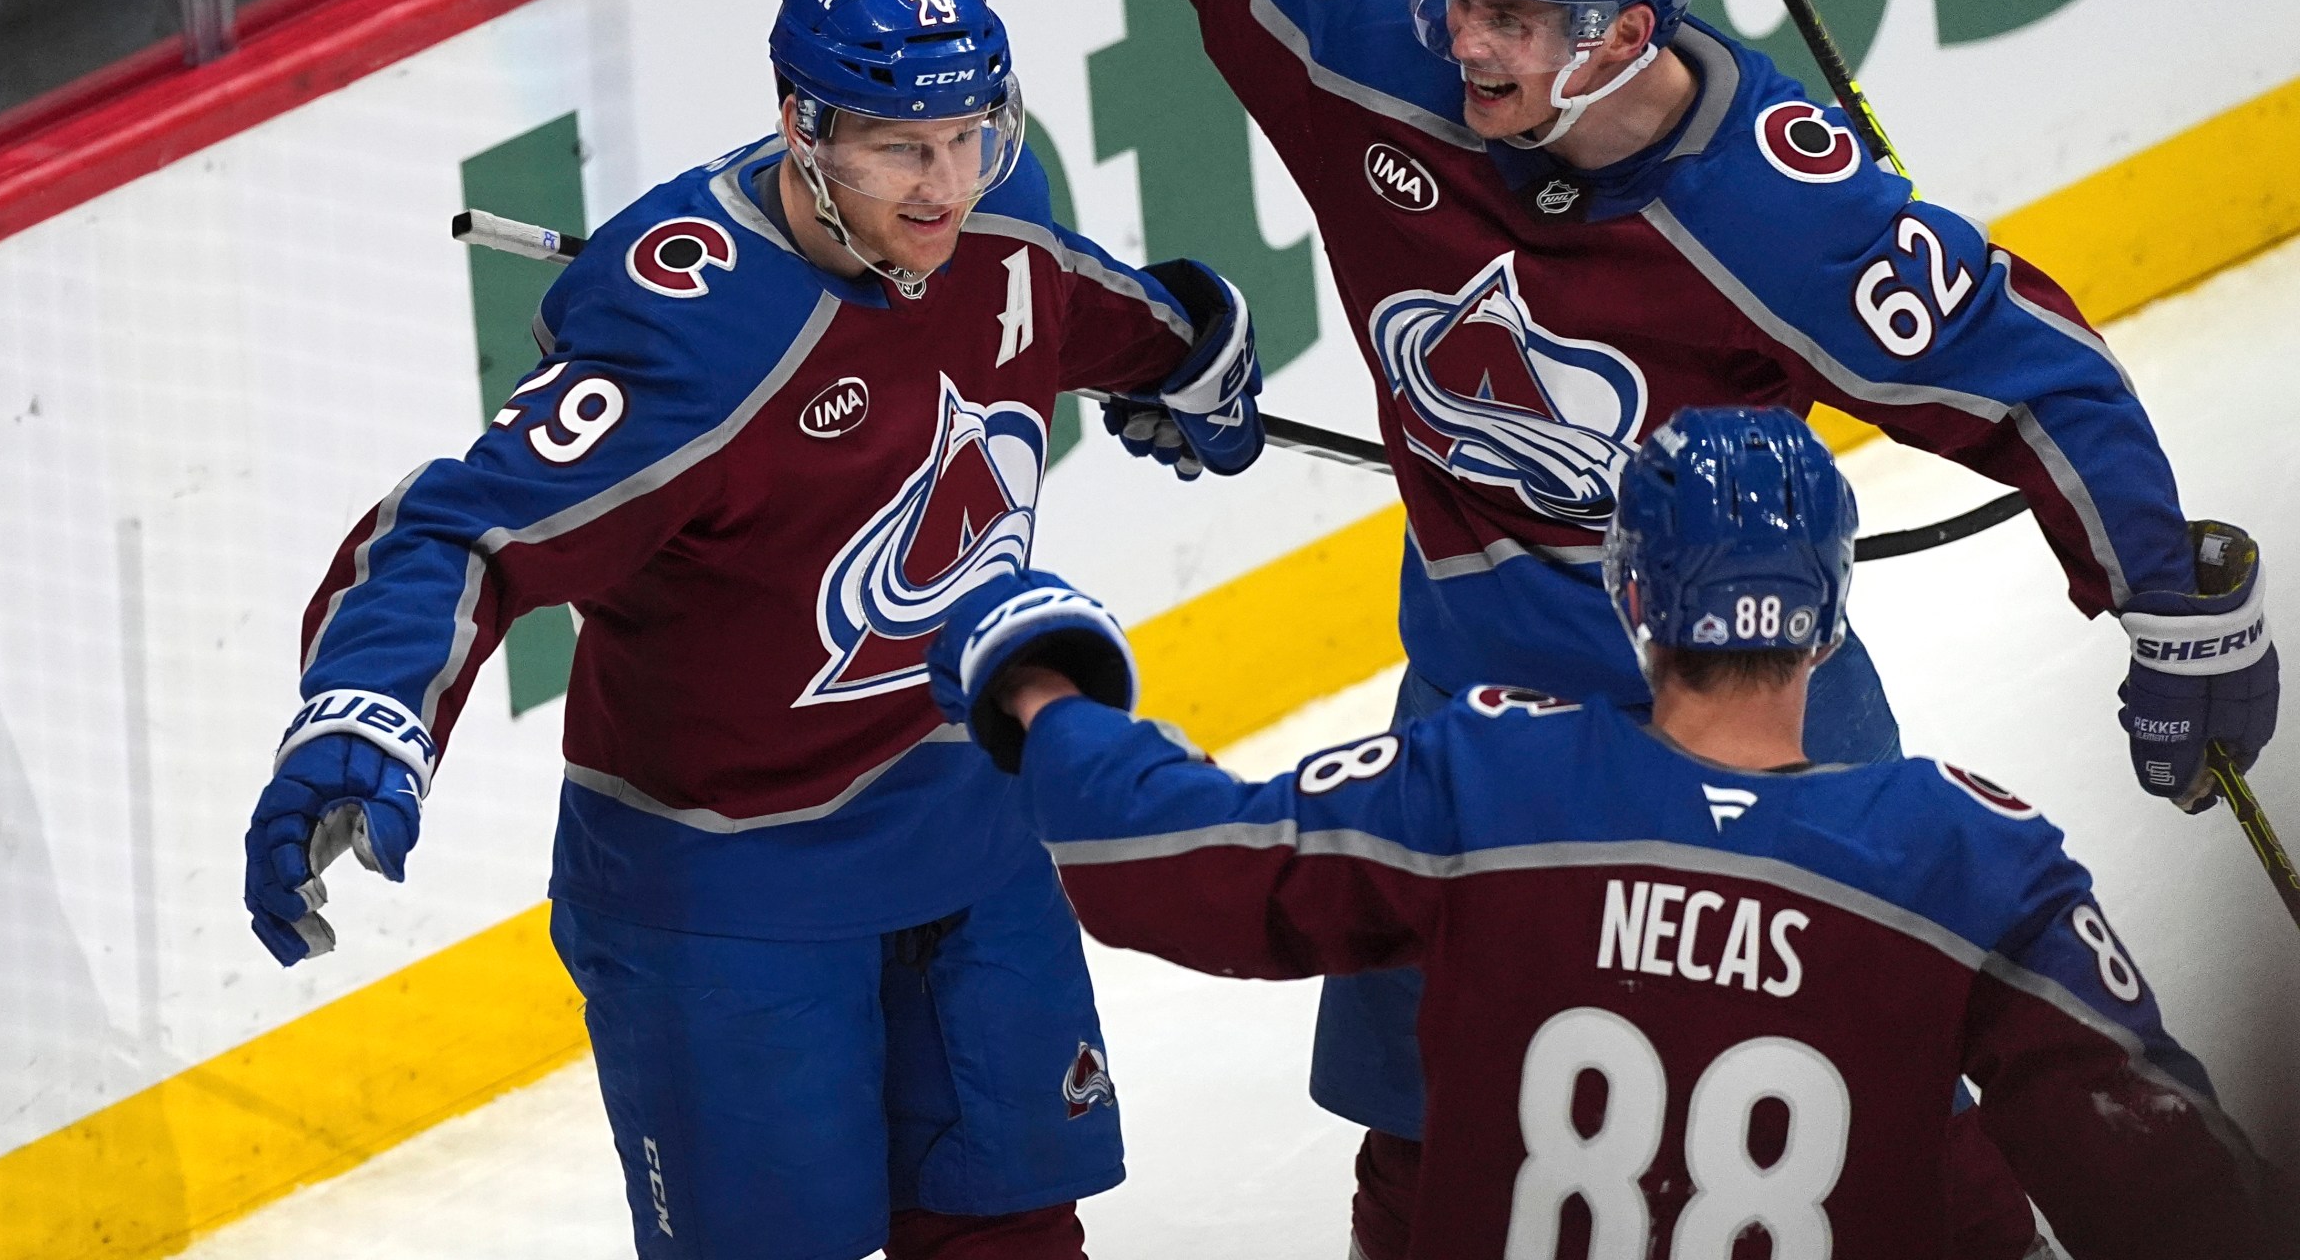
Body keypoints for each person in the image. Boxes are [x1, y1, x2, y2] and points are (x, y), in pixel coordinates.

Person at [1025, 0, 2280, 1247]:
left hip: (1752, 696)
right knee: (1425, 1137)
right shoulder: (1371, 30)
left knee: (1896, 1101)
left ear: (1626, 30)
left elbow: (2034, 371)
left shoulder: (1773, 210)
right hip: (1483, 702)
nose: (1464, 38)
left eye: (1509, 17)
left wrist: (2173, 598)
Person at [241, 0, 1265, 1259]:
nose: (946, 183)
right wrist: (368, 706)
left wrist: (1197, 354)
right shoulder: (690, 331)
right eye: (904, 145)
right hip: (727, 896)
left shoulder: (999, 237)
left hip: (968, 836)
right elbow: (464, 533)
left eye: (971, 134)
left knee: (1019, 1239)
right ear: (802, 122)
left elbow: (1117, 317)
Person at [925, 406, 2286, 1259]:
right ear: (1828, 618)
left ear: (1632, 598)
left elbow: (1176, 858)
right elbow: (2169, 1182)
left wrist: (1045, 695)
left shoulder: (1489, 791)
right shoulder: (1972, 864)